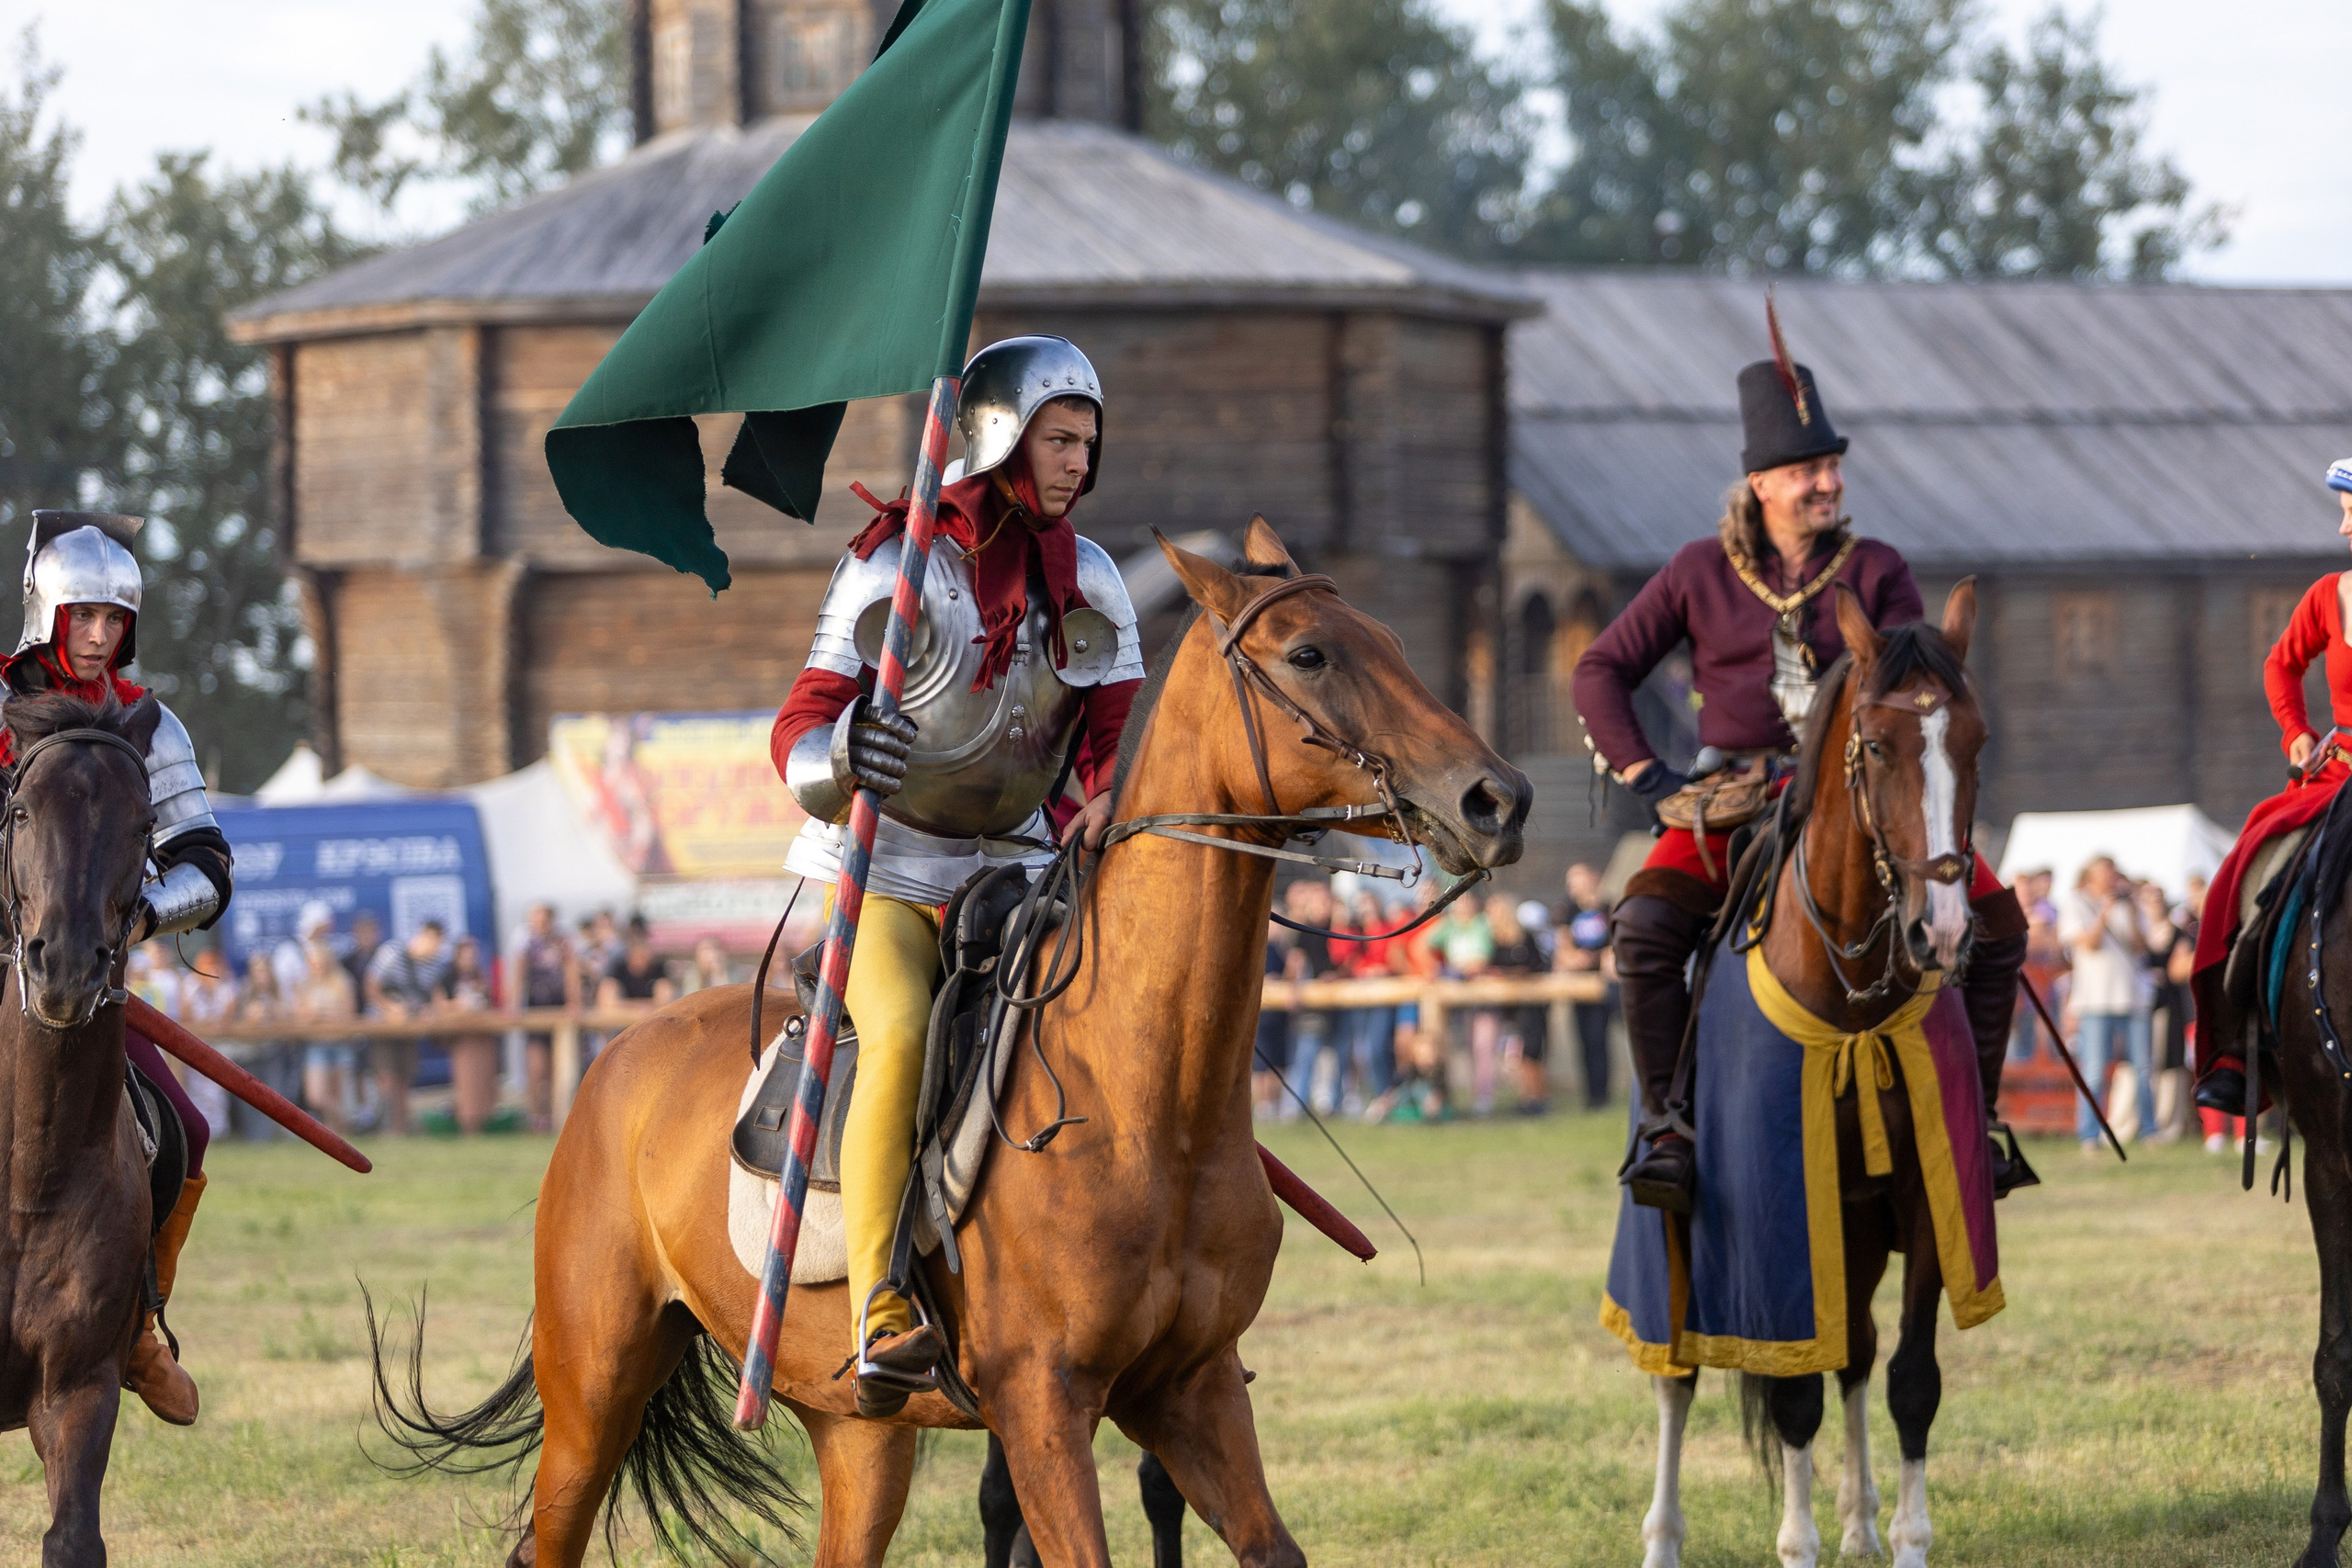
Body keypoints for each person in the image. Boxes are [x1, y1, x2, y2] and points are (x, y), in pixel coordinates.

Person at [1570, 312, 2030, 1213]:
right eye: (1805, 470)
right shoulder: (1697, 570)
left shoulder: (1879, 568)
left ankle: (1977, 1115)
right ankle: (1668, 1127)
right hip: (1731, 794)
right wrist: (1650, 779)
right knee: (1643, 931)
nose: (1826, 482)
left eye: (1830, 466)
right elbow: (1599, 669)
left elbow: (1913, 684)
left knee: (2000, 924)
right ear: (1760, 483)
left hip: (1857, 794)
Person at [770, 337, 1142, 1416]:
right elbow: (799, 722)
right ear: (997, 436)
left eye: (1086, 440)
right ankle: (881, 1304)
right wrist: (841, 756)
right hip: (888, 872)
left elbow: (1107, 742)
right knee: (899, 1035)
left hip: (1023, 871)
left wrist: (1106, 806)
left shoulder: (1095, 577)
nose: (1078, 460)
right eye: (1058, 439)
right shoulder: (895, 565)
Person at [0, 511, 237, 1425]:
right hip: (4, 963)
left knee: (180, 1128)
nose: (99, 636)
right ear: (49, 615)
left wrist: (138, 914)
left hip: (90, 984)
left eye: (114, 619)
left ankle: (133, 1327)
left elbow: (209, 865)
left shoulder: (148, 724)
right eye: (83, 617)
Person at [2193, 459, 2352, 1118]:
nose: (2345, 526)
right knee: (2253, 858)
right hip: (2340, 773)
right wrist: (2295, 730)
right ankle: (2240, 1044)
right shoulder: (2328, 595)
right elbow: (2281, 664)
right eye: (2345, 512)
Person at [2060, 858, 2157, 1150]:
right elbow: (2088, 943)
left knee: (2142, 1068)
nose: (2111, 879)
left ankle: (2149, 1131)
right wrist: (2104, 911)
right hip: (2094, 1000)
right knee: (2094, 1071)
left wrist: (2130, 907)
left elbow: (2143, 947)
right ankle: (2090, 1135)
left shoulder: (2130, 904)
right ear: (2090, 877)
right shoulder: (2076, 903)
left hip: (2132, 997)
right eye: (2105, 875)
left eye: (2113, 874)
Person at [365, 919, 455, 1137]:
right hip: (383, 1026)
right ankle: (385, 1126)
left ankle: (400, 1127)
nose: (436, 946)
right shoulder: (392, 952)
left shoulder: (435, 965)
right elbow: (371, 986)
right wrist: (390, 1009)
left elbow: (431, 997)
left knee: (405, 1077)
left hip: (410, 1029)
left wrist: (427, 1011)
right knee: (386, 1076)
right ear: (424, 935)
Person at [1556, 863, 1618, 1110]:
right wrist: (1575, 958)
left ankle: (1604, 1094)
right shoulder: (1567, 910)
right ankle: (1592, 1096)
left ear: (1594, 879)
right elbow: (1563, 948)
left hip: (1606, 984)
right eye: (1571, 883)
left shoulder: (1608, 908)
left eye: (1579, 881)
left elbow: (1616, 943)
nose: (1575, 888)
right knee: (1585, 1040)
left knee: (1602, 1039)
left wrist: (1601, 957)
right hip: (1579, 984)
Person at [292, 922, 358, 1135]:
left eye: (319, 962)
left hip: (340, 1042)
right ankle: (350, 1121)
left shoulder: (342, 981)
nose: (316, 966)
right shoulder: (304, 984)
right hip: (317, 1044)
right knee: (317, 1096)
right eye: (313, 962)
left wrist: (320, 1015)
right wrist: (321, 1015)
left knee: (337, 1093)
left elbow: (348, 1013)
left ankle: (338, 1136)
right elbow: (301, 1015)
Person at [514, 902, 574, 1133]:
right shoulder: (525, 942)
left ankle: (553, 1116)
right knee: (536, 1067)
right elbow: (518, 973)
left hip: (558, 1006)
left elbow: (571, 971)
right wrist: (514, 1004)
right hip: (535, 1008)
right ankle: (536, 1115)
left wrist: (573, 1001)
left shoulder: (562, 942)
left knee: (557, 1069)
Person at [442, 936, 502, 1134]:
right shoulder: (448, 978)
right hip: (462, 1036)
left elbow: (492, 1002)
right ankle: (468, 1123)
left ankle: (485, 1120)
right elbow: (439, 1004)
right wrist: (458, 1006)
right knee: (467, 1081)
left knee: (484, 1078)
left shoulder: (481, 977)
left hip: (482, 1033)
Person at [598, 916, 675, 1008]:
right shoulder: (618, 968)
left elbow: (665, 1001)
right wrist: (640, 1007)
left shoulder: (658, 969)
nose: (641, 961)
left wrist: (625, 1006)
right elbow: (605, 1001)